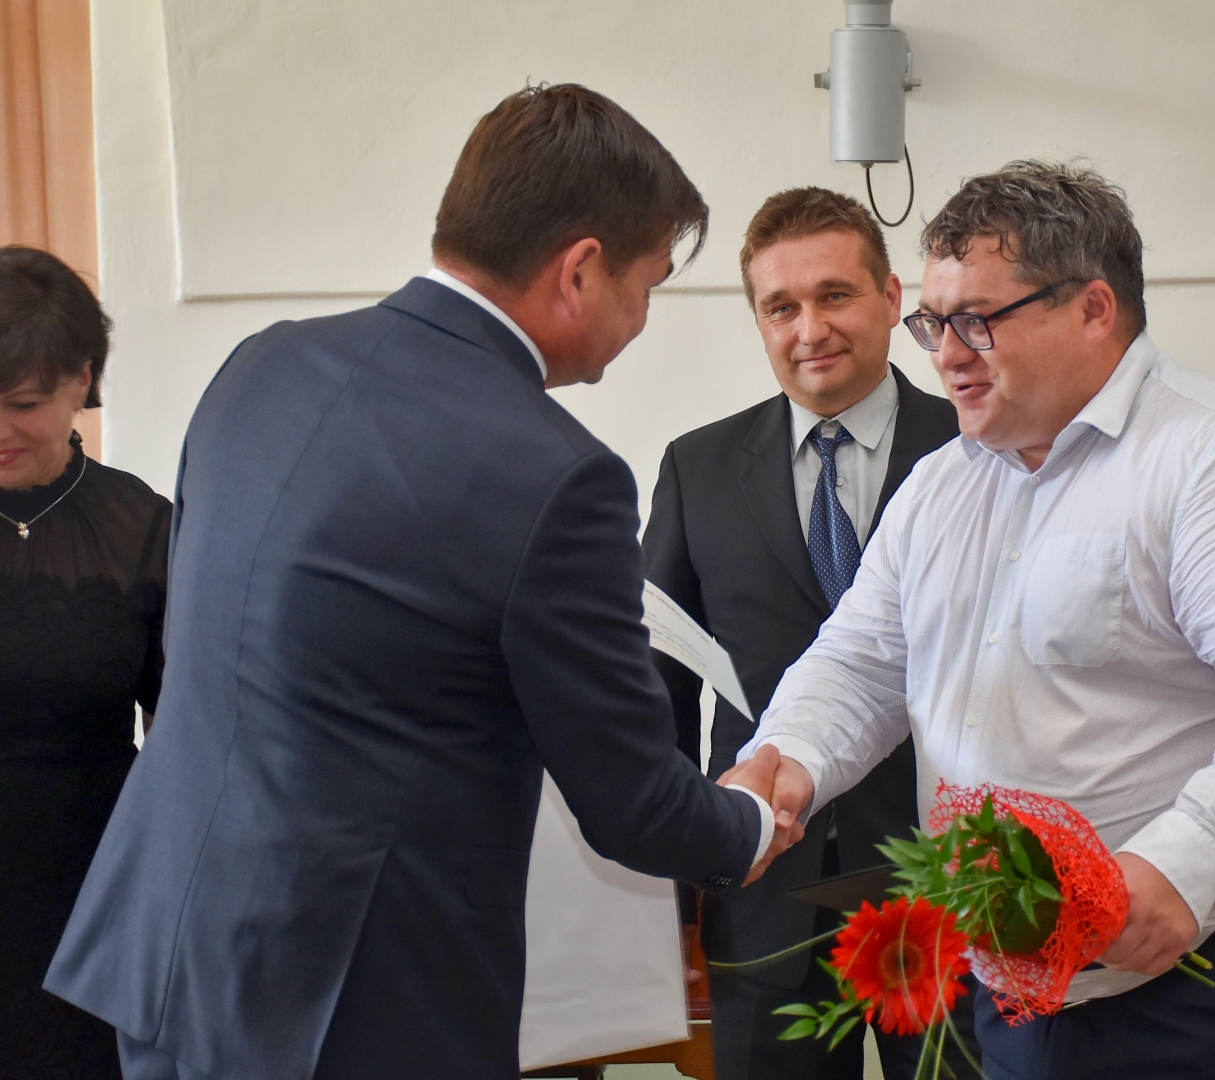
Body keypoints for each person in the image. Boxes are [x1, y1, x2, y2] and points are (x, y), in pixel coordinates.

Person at [45, 85, 799, 1080]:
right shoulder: (555, 472)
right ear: (579, 270)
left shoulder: (263, 365)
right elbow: (630, 802)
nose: (642, 319)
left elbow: (215, 642)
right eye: (648, 285)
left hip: (171, 944)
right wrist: (749, 821)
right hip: (350, 996)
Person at [739, 161, 1215, 1079]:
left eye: (978, 320)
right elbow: (861, 663)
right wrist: (788, 758)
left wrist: (1186, 862)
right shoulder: (941, 485)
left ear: (1094, 308)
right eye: (934, 324)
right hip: (1030, 991)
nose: (946, 355)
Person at [643, 188, 972, 1080]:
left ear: (892, 299)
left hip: (947, 884)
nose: (810, 328)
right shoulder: (697, 468)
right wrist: (672, 898)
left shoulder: (978, 450)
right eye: (781, 307)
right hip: (759, 893)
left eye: (835, 295)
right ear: (759, 322)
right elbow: (658, 698)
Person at [0, 246, 169, 1080]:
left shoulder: (142, 528)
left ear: (81, 382)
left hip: (91, 887)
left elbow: (181, 735)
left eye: (22, 404)